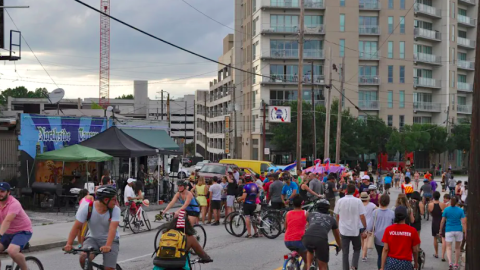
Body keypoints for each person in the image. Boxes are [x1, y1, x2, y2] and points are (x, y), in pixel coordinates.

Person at [64, 185, 120, 270]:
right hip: (92, 239)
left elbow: (112, 228)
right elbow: (76, 227)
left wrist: (108, 245)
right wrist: (69, 244)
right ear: (106, 200)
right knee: (83, 258)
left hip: (111, 240)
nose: (116, 202)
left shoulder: (115, 210)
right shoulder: (87, 208)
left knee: (108, 268)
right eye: (114, 200)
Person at [333, 184, 367, 270]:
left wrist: (337, 225)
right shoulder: (358, 201)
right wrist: (365, 226)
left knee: (345, 252)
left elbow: (337, 215)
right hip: (355, 230)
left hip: (343, 230)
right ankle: (354, 265)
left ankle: (345, 268)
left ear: (346, 191)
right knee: (357, 248)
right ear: (355, 191)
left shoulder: (340, 201)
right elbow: (362, 216)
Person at [0, 182, 32, 270]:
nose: (0, 194)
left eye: (2, 191)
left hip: (22, 231)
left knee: (12, 251)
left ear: (8, 192)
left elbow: (7, 220)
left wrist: (0, 235)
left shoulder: (14, 204)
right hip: (7, 232)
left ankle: (26, 269)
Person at [303, 199, 342, 270]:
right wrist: (339, 245)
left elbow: (308, 226)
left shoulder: (310, 215)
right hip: (321, 239)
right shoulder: (331, 219)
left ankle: (308, 267)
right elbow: (337, 235)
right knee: (323, 266)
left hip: (307, 237)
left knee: (309, 250)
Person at [380, 206, 420, 270]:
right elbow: (415, 250)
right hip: (405, 263)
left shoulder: (388, 230)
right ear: (406, 216)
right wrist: (416, 263)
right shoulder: (412, 231)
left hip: (391, 262)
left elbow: (385, 249)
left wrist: (382, 267)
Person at [367, 194, 394, 270]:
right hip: (389, 238)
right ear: (388, 202)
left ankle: (380, 268)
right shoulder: (392, 213)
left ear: (380, 201)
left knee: (380, 255)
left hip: (378, 238)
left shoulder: (375, 212)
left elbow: (370, 226)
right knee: (388, 255)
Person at [439, 197, 466, 270]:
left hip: (449, 230)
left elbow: (442, 221)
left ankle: (450, 262)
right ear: (457, 202)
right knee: (457, 248)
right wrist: (465, 232)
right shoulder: (460, 210)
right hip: (458, 230)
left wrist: (440, 230)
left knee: (448, 247)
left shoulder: (446, 210)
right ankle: (456, 263)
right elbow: (463, 222)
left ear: (451, 202)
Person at [284, 194, 308, 270]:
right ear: (302, 203)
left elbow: (286, 227)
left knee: (296, 250)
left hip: (287, 241)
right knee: (308, 261)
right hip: (299, 240)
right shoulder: (305, 213)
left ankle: (292, 261)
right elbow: (310, 226)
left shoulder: (288, 213)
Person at [429, 191, 447, 260]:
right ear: (439, 197)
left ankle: (436, 253)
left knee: (435, 238)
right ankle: (443, 255)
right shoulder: (443, 204)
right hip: (441, 222)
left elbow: (430, 212)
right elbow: (445, 214)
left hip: (434, 221)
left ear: (433, 196)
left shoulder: (430, 205)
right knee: (443, 238)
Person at [360, 192, 377, 262]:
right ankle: (364, 255)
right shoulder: (372, 205)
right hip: (368, 224)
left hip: (360, 223)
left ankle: (364, 252)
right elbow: (378, 209)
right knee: (366, 239)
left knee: (362, 239)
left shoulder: (359, 205)